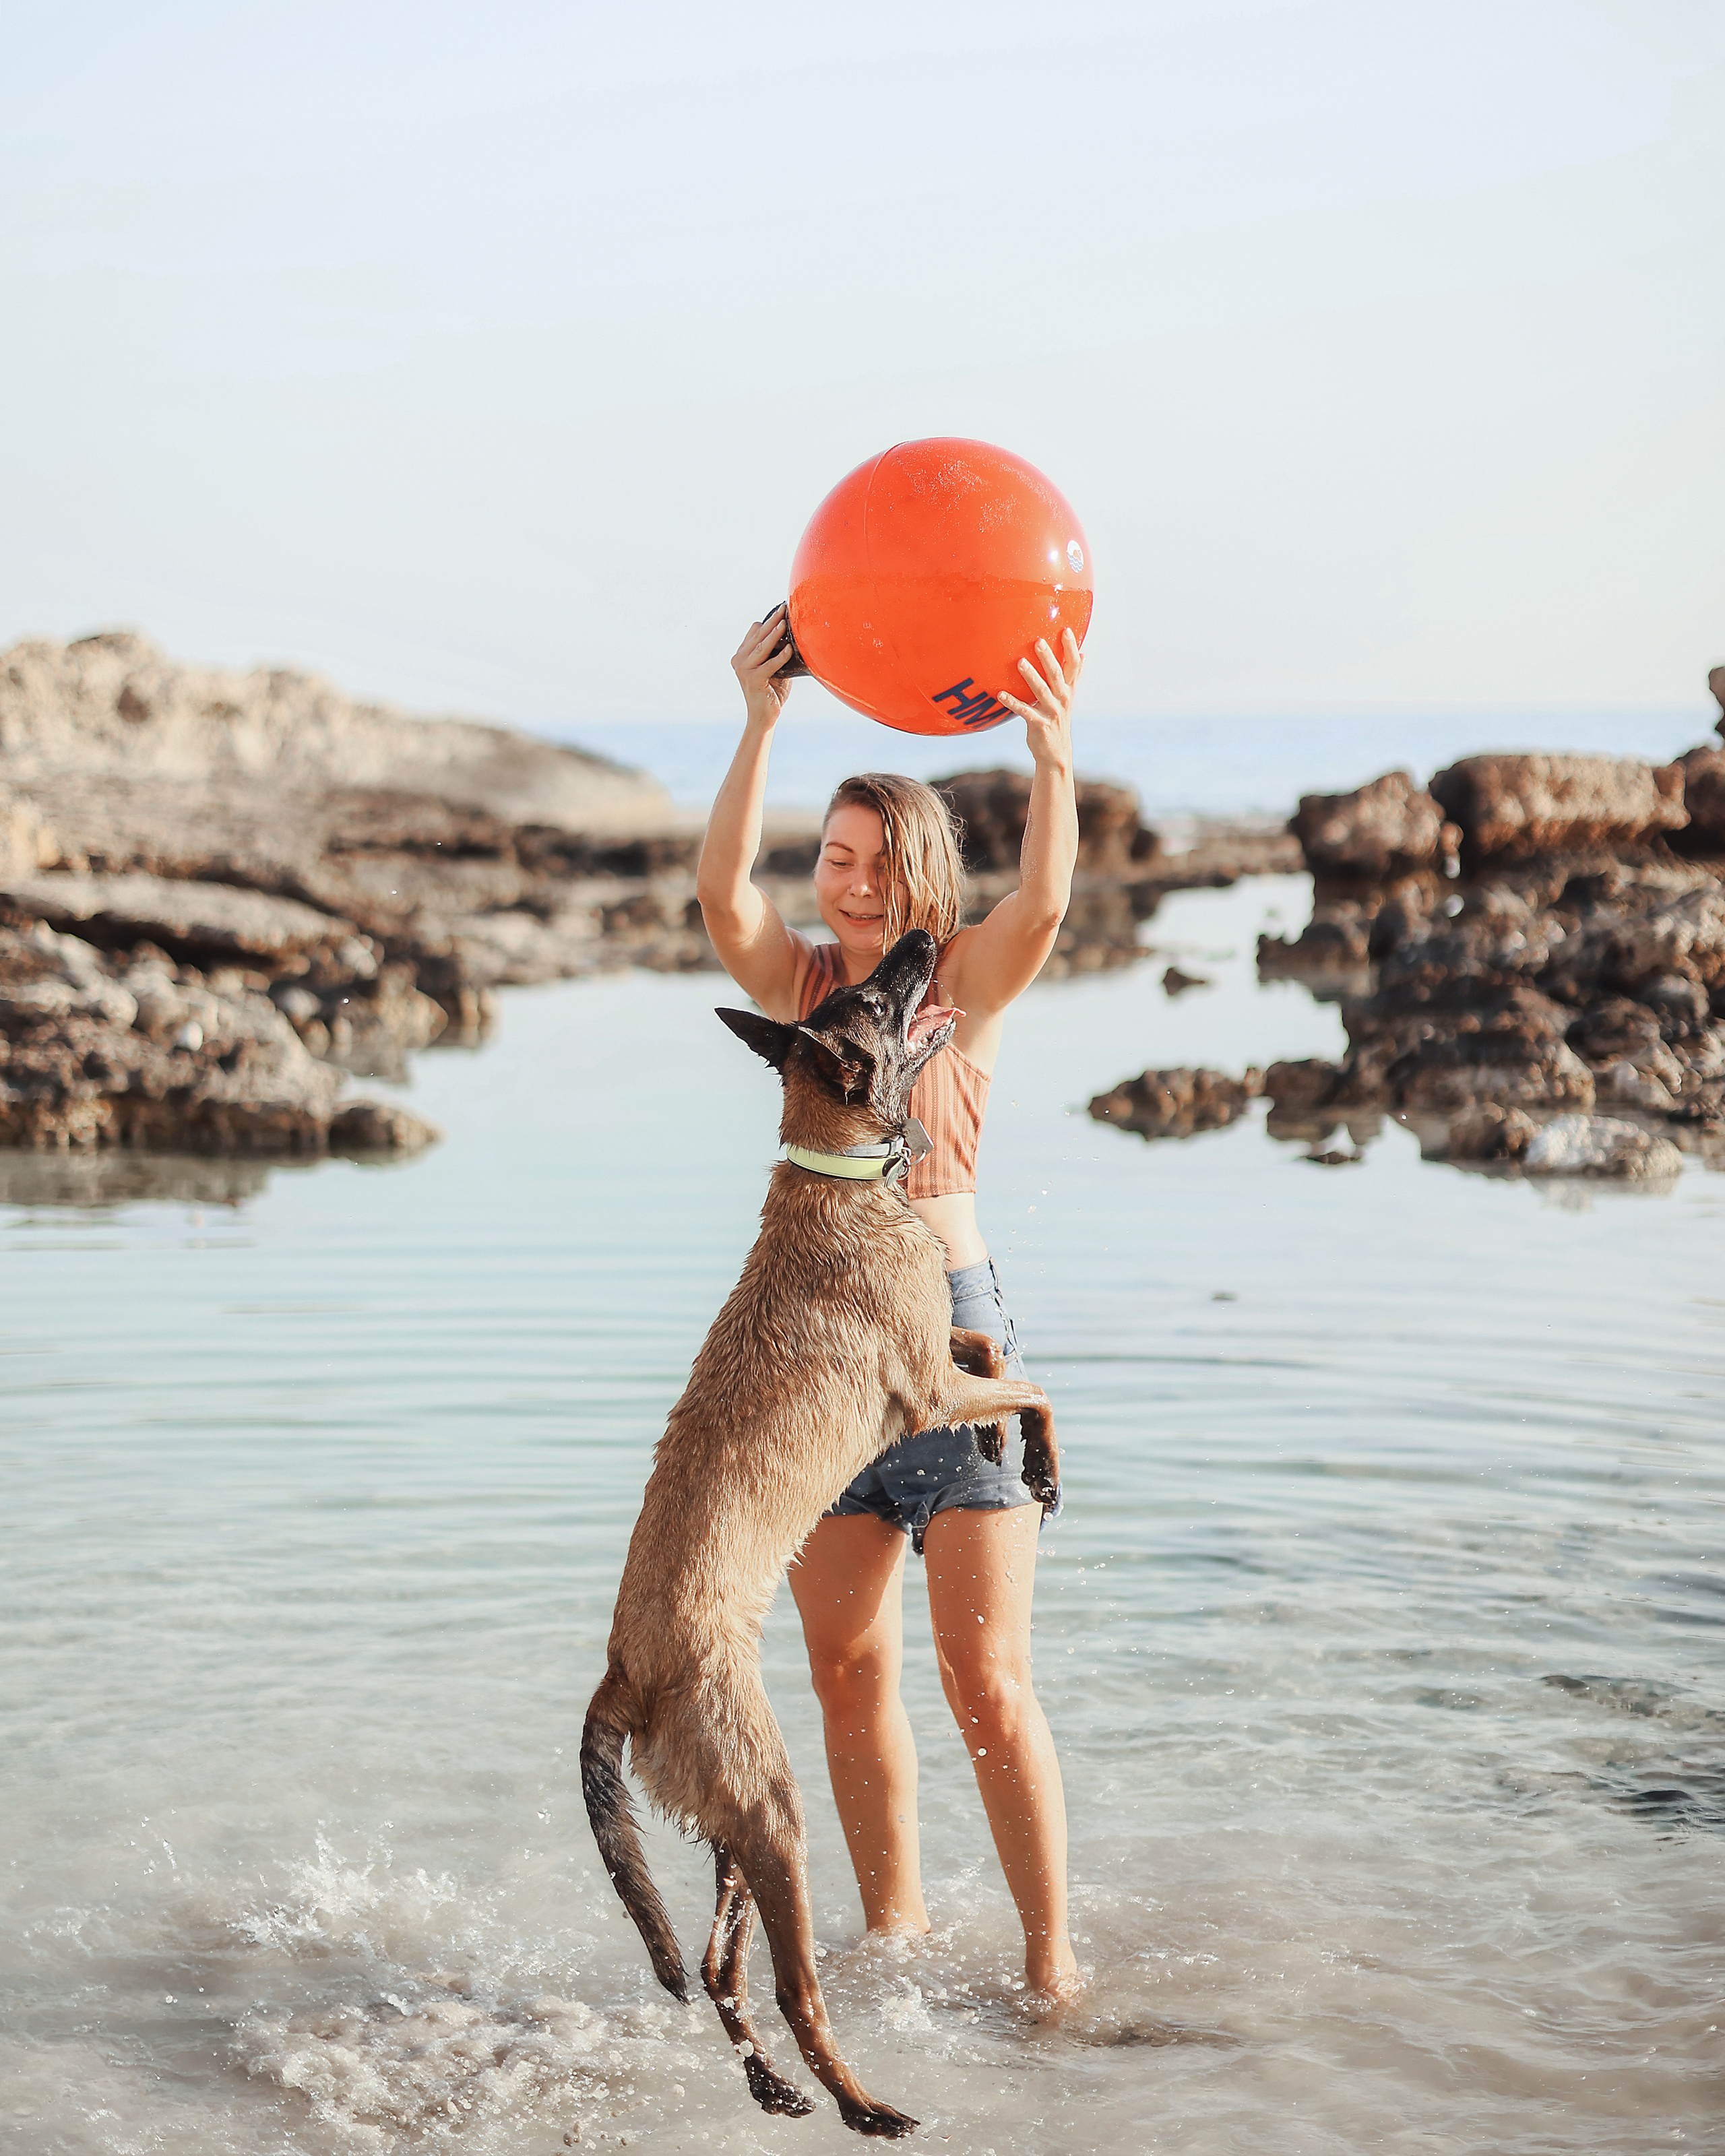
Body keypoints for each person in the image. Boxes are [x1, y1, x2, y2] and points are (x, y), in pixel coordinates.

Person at [695, 607, 1084, 2002]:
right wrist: (757, 724)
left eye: (872, 863)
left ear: (917, 866)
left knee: (988, 1688)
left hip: (951, 1332)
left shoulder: (958, 991)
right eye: (832, 861)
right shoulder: (802, 995)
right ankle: (896, 1941)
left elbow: (1038, 906)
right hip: (816, 1360)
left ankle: (1050, 1971)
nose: (848, 888)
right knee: (848, 1673)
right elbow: (720, 895)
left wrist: (1048, 761)